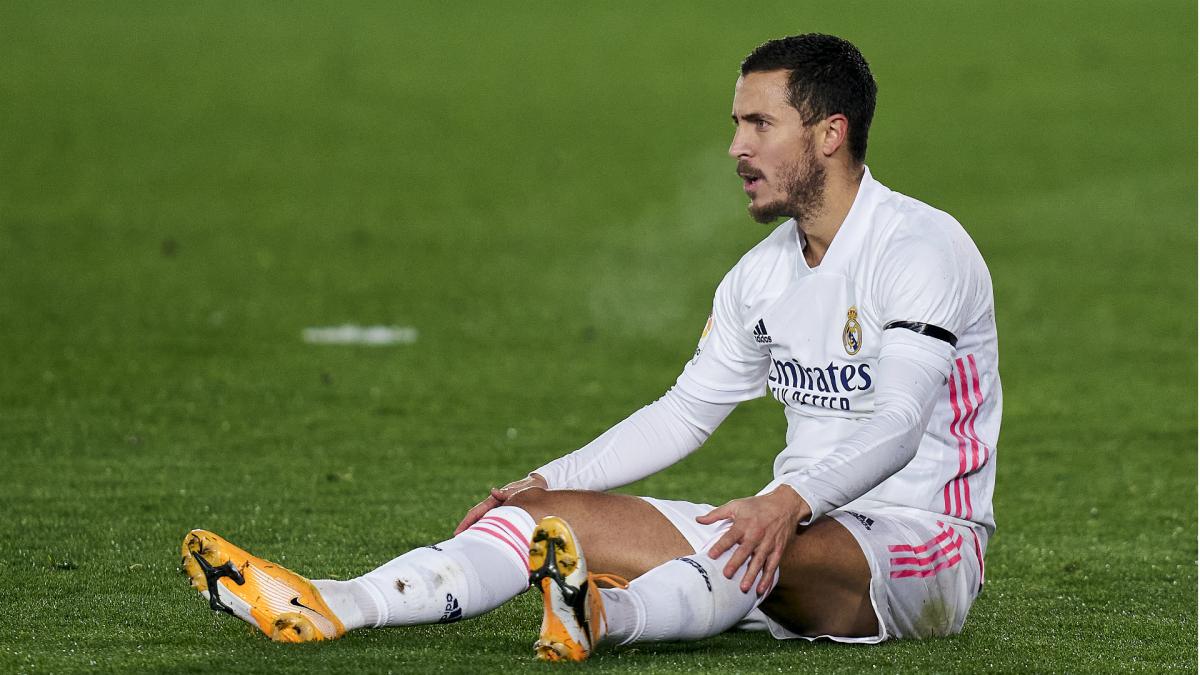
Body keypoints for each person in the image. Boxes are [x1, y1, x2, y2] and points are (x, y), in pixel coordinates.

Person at [181, 33, 1001, 660]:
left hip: (923, 544)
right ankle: (336, 601)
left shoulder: (920, 248)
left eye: (760, 123)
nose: (736, 148)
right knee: (543, 520)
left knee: (757, 543)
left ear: (829, 133)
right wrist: (547, 478)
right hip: (783, 526)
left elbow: (899, 423)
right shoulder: (760, 276)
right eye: (736, 124)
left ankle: (608, 615)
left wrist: (788, 501)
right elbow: (684, 413)